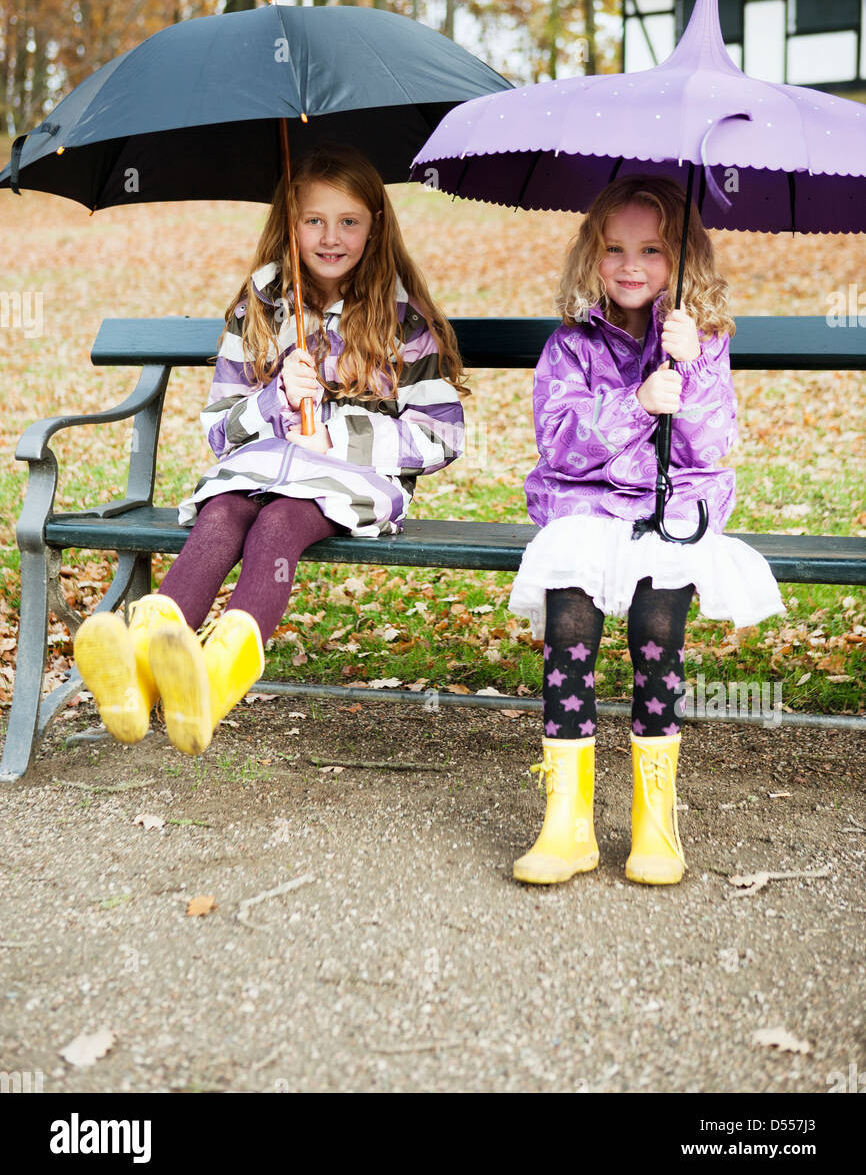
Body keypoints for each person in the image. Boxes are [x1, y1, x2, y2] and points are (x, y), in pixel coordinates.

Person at [74, 144, 467, 757]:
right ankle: (141, 666)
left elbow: (443, 434)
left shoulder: (403, 319)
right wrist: (274, 398)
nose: (330, 237)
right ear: (288, 222)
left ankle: (216, 679)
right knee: (223, 512)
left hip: (346, 484)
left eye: (349, 221)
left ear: (376, 226)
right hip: (256, 467)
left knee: (278, 524)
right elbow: (218, 427)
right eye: (313, 220)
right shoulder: (258, 303)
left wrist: (338, 433)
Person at [508, 174, 785, 887]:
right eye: (615, 249)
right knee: (570, 618)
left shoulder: (704, 341)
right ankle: (566, 823)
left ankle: (653, 819)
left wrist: (686, 373)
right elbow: (559, 441)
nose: (632, 266)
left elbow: (710, 446)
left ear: (683, 260)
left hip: (673, 512)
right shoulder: (570, 346)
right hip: (584, 508)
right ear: (590, 255)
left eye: (654, 251)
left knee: (656, 623)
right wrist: (635, 404)